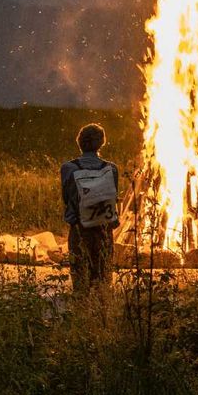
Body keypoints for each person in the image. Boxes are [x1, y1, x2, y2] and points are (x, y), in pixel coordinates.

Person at [60, 124, 120, 292]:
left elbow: (67, 198)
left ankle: (82, 310)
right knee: (103, 277)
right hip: (103, 228)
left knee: (80, 276)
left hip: (80, 229)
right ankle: (102, 311)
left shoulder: (68, 168)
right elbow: (113, 198)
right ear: (102, 143)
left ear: (79, 142)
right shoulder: (111, 169)